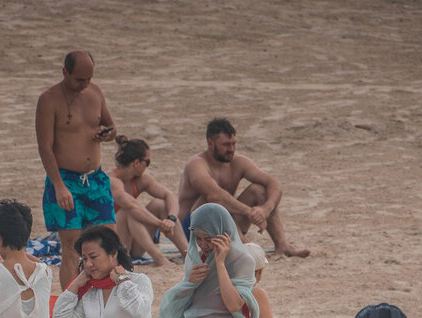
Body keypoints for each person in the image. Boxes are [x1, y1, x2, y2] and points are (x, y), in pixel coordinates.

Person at [35, 50, 118, 291]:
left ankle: (108, 299)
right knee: (72, 247)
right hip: (65, 179)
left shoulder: (95, 92)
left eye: (89, 78)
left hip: (96, 180)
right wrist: (59, 186)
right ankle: (71, 308)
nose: (85, 84)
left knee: (109, 241)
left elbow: (111, 126)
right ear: (65, 72)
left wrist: (108, 133)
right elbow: (45, 147)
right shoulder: (49, 100)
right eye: (79, 79)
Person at [177, 118, 309, 258]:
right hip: (192, 229)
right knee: (210, 201)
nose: (231, 149)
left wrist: (265, 210)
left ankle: (282, 245)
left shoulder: (238, 162)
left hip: (226, 225)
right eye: (226, 145)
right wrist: (250, 212)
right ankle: (244, 246)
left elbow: (273, 183)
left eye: (234, 144)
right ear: (210, 143)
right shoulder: (196, 164)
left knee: (259, 191)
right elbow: (214, 196)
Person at [108, 136, 187, 267]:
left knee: (159, 204)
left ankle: (188, 254)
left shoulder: (141, 179)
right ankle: (159, 258)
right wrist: (160, 224)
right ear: (136, 163)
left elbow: (169, 195)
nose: (148, 165)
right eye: (147, 162)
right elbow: (131, 205)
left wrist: (171, 219)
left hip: (131, 242)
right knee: (129, 210)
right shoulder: (111, 180)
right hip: (109, 240)